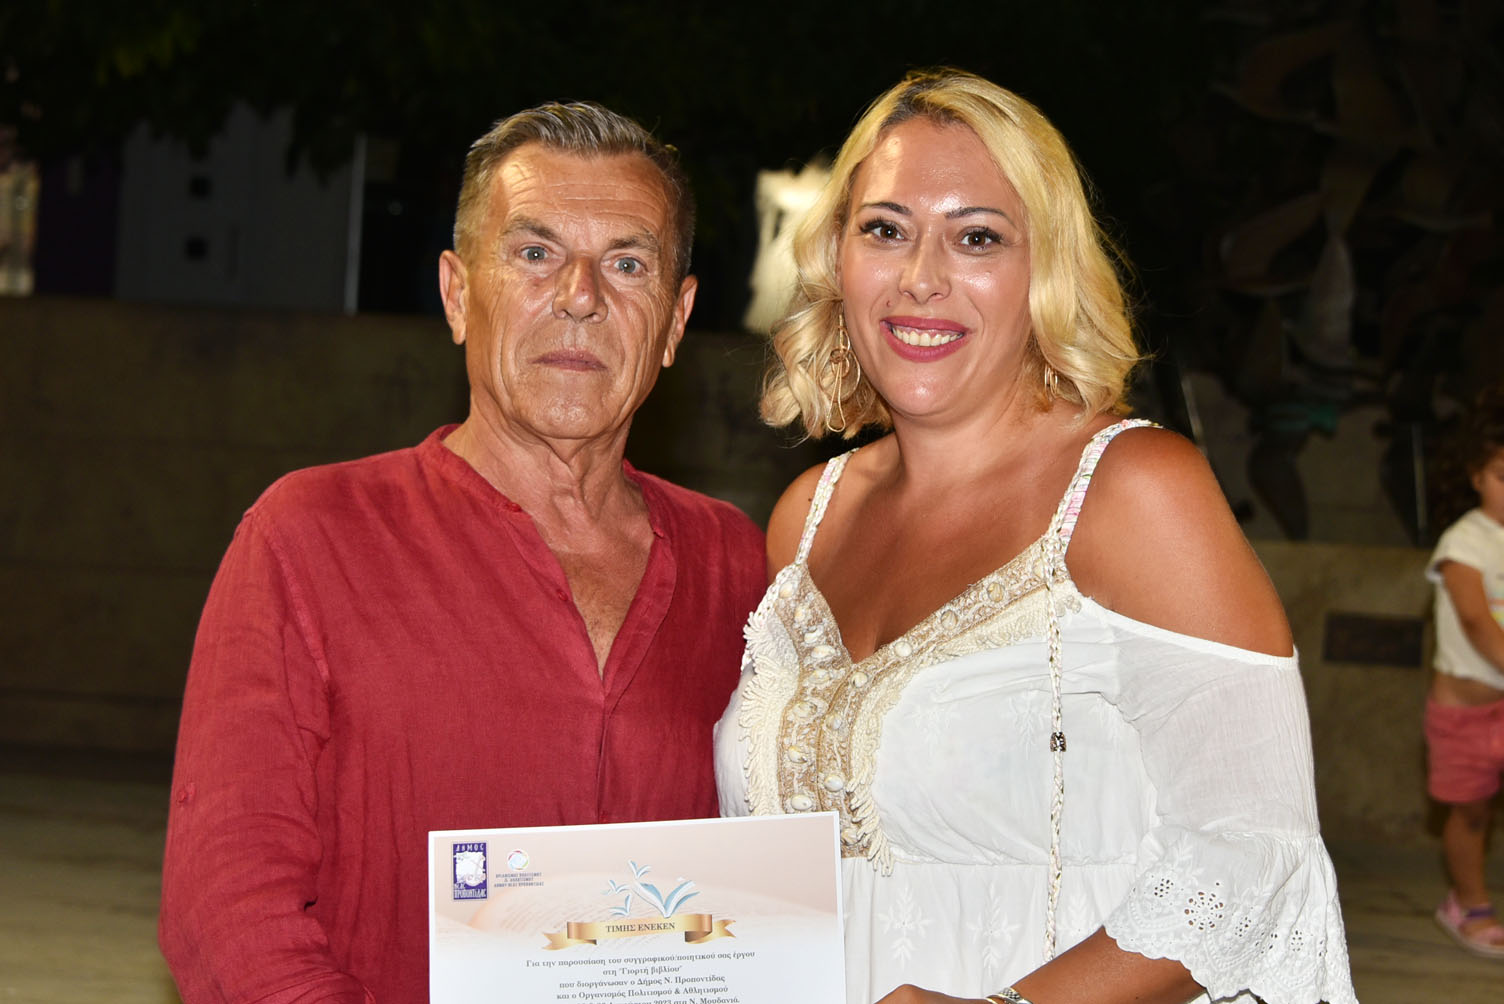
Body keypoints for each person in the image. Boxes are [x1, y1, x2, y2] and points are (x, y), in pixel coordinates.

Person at [714, 69, 1357, 1004]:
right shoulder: (808, 518)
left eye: (977, 237)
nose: (921, 277)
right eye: (885, 230)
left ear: (1045, 271)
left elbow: (1256, 859)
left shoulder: (1133, 489)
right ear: (837, 258)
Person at [159, 102, 766, 1002]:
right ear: (456, 294)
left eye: (627, 264)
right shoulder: (310, 537)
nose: (581, 296)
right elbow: (228, 910)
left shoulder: (735, 566)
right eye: (535, 253)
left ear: (676, 321)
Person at [1425, 383, 1504, 958]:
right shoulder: (1465, 541)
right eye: (1503, 476)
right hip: (1466, 714)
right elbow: (1477, 623)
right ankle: (1468, 905)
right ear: (1477, 475)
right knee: (1470, 810)